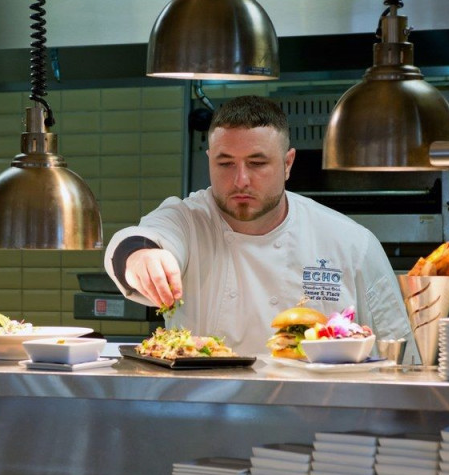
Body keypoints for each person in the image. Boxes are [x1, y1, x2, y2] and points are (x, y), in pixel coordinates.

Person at [105, 95, 413, 356]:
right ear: (209, 159)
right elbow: (138, 240)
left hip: (315, 416)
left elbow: (399, 352)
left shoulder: (350, 243)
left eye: (257, 163)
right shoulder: (188, 220)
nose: (240, 180)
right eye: (225, 164)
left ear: (288, 164)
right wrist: (141, 257)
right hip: (203, 415)